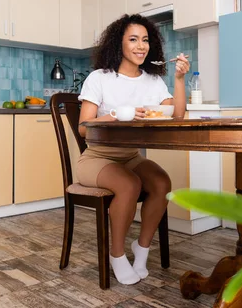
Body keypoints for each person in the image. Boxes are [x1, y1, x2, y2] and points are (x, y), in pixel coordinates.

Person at [76, 14, 190, 285]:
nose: (141, 46)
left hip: (130, 157)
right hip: (96, 159)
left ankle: (142, 247)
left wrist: (179, 78)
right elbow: (83, 127)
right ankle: (117, 255)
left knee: (162, 183)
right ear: (119, 44)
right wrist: (119, 113)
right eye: (133, 39)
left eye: (145, 40)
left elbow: (178, 117)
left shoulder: (151, 80)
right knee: (129, 185)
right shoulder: (100, 78)